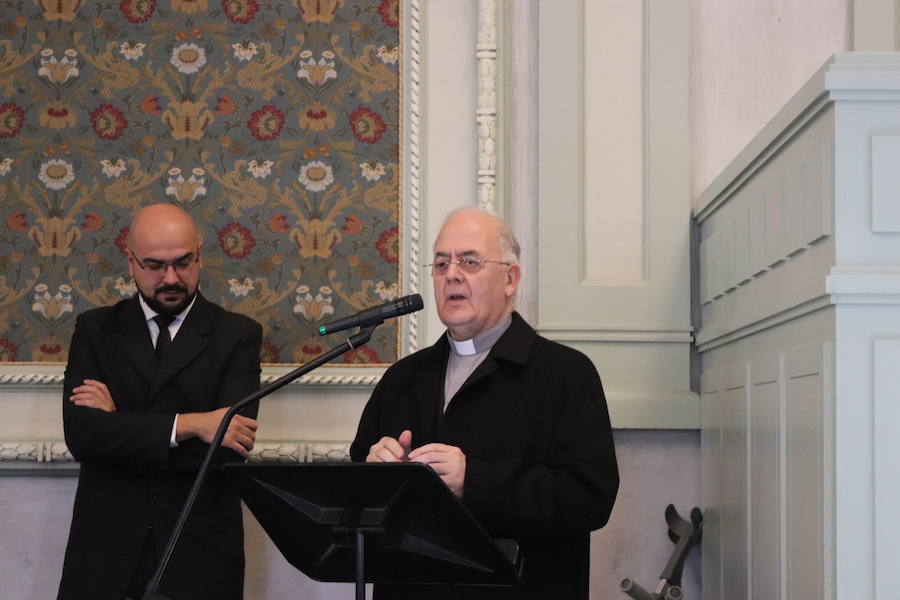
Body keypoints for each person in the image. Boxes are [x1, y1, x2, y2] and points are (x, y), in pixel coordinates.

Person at [350, 207, 619, 599]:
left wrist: (474, 481)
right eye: (441, 263)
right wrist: (374, 472)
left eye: (469, 262)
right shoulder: (403, 378)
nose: (452, 274)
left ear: (510, 279)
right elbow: (355, 489)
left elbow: (590, 498)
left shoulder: (566, 374)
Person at [57, 204, 262, 600]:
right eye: (154, 265)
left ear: (200, 254)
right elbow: (82, 436)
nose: (171, 278)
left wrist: (119, 423)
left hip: (198, 550)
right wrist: (189, 425)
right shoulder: (95, 329)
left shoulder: (237, 335)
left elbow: (224, 453)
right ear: (130, 261)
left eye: (183, 263)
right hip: (106, 551)